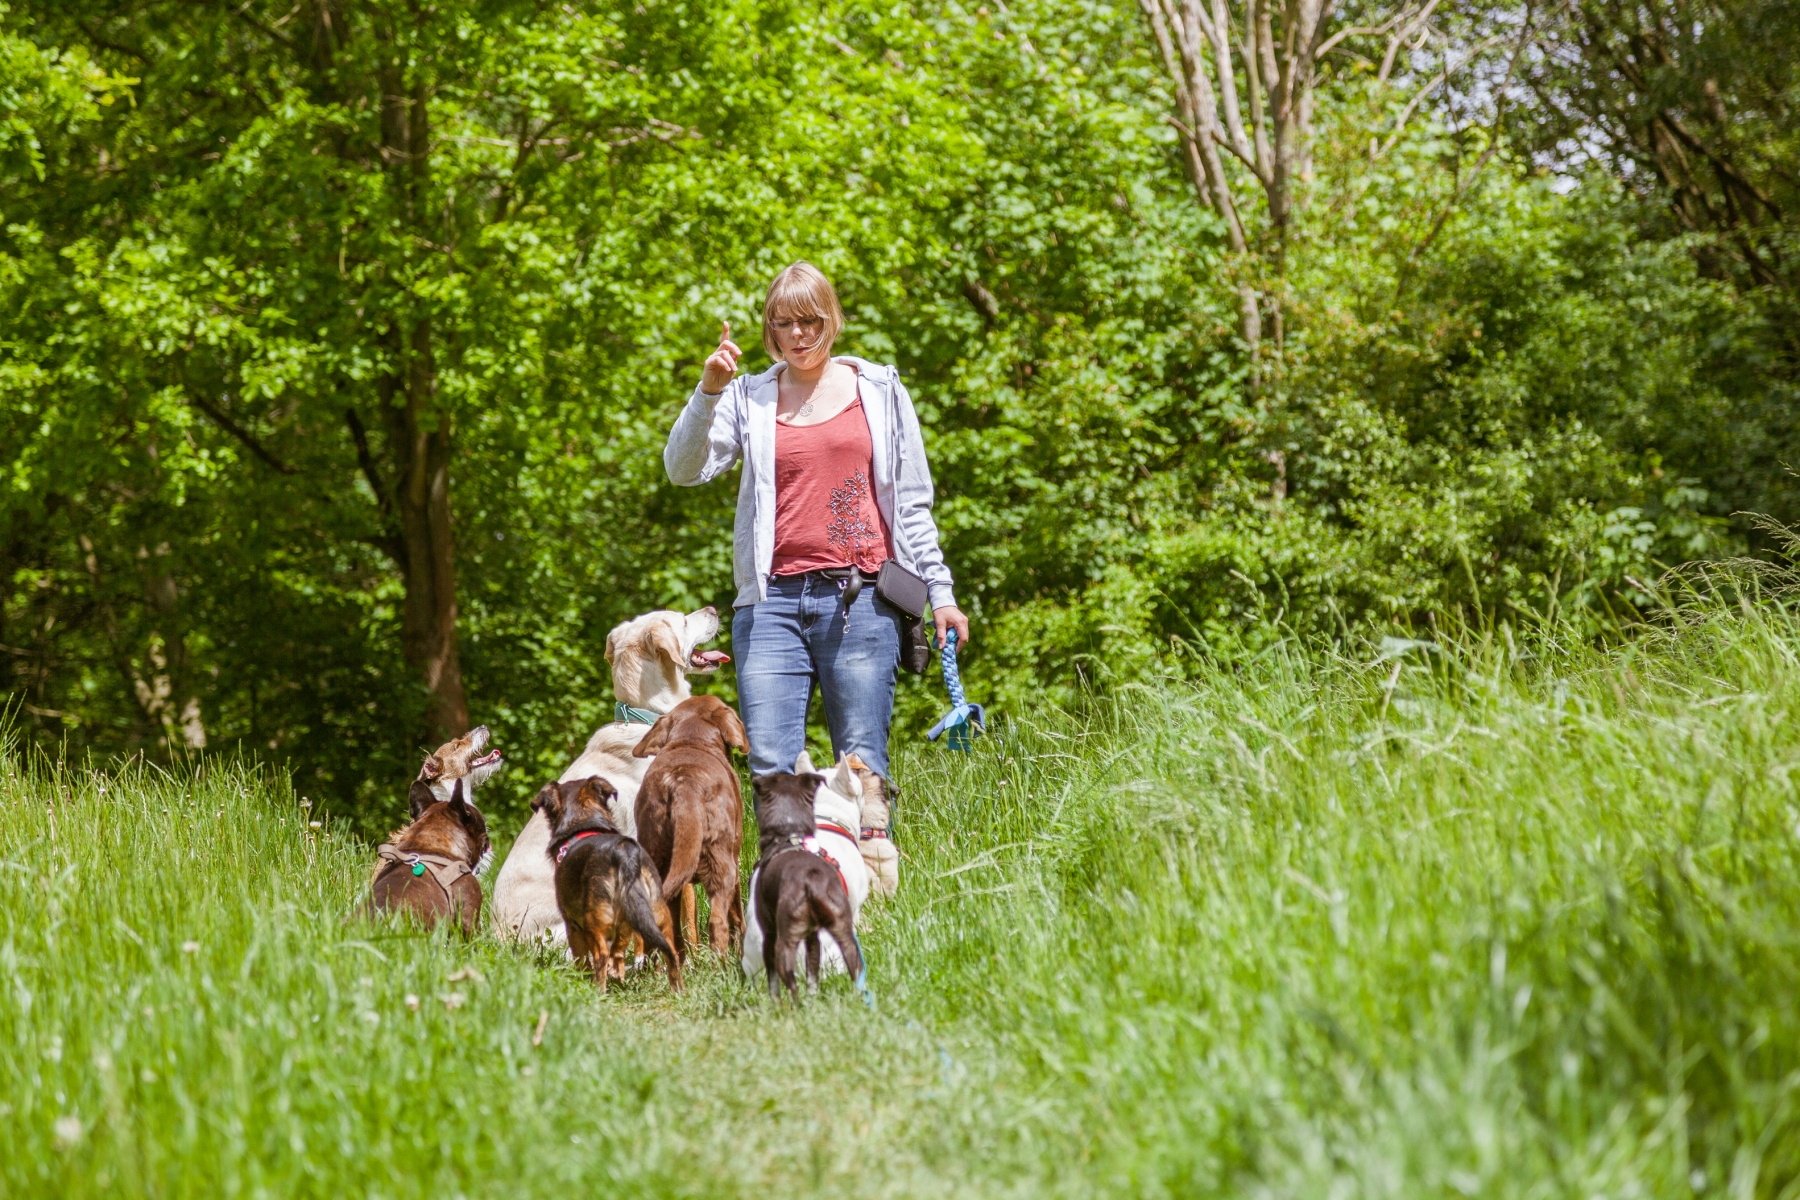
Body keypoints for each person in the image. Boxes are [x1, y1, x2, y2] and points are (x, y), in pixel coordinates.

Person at [663, 261, 969, 779]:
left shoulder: (879, 389)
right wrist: (708, 391)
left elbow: (913, 503)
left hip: (863, 601)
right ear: (770, 329)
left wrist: (941, 593)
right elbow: (683, 469)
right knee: (771, 769)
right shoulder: (749, 396)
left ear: (831, 319)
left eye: (809, 320)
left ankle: (868, 861)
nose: (798, 334)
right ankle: (788, 863)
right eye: (784, 323)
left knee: (861, 763)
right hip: (769, 607)